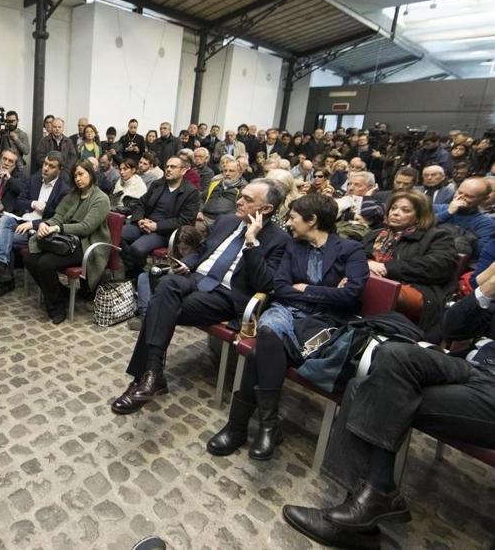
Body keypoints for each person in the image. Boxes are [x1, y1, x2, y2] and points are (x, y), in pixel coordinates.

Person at [282, 295, 495, 548]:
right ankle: (374, 496)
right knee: (392, 354)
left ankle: (357, 518)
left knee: (366, 390)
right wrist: (486, 288)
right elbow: (451, 328)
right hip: (469, 367)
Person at [206, 194, 369, 460]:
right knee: (269, 329)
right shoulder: (293, 246)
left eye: (293, 217)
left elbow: (351, 295)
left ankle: (239, 426)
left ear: (312, 220)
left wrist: (306, 289)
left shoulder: (350, 249)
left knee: (263, 350)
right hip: (285, 311)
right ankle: (267, 426)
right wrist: (325, 291)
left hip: (322, 324)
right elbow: (279, 288)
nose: (289, 223)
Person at [109, 179, 289, 414]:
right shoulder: (227, 221)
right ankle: (152, 376)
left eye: (248, 199)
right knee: (167, 283)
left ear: (266, 209)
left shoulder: (279, 240)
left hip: (225, 294)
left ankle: (148, 378)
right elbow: (203, 251)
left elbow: (266, 284)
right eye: (241, 196)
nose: (239, 201)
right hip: (195, 279)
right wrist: (187, 263)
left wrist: (252, 242)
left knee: (159, 305)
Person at [25, 159, 110, 324]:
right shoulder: (72, 195)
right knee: (30, 257)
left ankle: (56, 308)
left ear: (91, 174)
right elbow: (58, 217)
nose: (78, 178)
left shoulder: (101, 199)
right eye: (75, 175)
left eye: (81, 174)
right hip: (66, 240)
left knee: (45, 263)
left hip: (87, 244)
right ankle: (60, 293)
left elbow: (86, 227)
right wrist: (46, 224)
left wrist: (57, 228)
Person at [363, 189, 456, 334]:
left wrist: (387, 268)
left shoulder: (437, 236)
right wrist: (367, 263)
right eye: (393, 208)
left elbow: (437, 266)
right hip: (372, 278)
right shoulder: (376, 234)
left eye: (405, 210)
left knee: (374, 287)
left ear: (419, 217)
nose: (395, 213)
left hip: (417, 288)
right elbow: (356, 254)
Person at [0, 151, 69, 297]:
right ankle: (2, 264)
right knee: (4, 220)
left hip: (40, 229)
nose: (45, 168)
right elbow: (19, 202)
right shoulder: (34, 179)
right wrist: (33, 203)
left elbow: (58, 218)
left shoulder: (64, 190)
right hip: (23, 220)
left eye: (51, 166)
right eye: (45, 164)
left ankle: (5, 277)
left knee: (2, 236)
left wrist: (33, 224)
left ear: (59, 170)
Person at [121, 156, 201, 277]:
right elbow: (140, 204)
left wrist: (157, 226)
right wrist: (140, 219)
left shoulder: (191, 192)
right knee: (117, 235)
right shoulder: (158, 184)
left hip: (164, 231)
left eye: (173, 167)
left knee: (137, 248)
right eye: (167, 166)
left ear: (183, 171)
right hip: (144, 223)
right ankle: (135, 271)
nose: (168, 169)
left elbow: (186, 221)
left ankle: (135, 275)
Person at [434, 177, 495, 256]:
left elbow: (481, 253)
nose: (460, 198)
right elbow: (419, 227)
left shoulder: (485, 223)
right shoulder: (437, 208)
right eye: (459, 192)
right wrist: (448, 213)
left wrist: (465, 239)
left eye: (469, 196)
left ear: (484, 199)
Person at [199, 158, 245, 224]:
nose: (227, 173)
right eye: (225, 171)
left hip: (226, 222)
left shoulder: (243, 189)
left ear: (239, 173)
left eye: (231, 171)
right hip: (204, 218)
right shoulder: (214, 183)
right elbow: (201, 199)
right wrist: (199, 211)